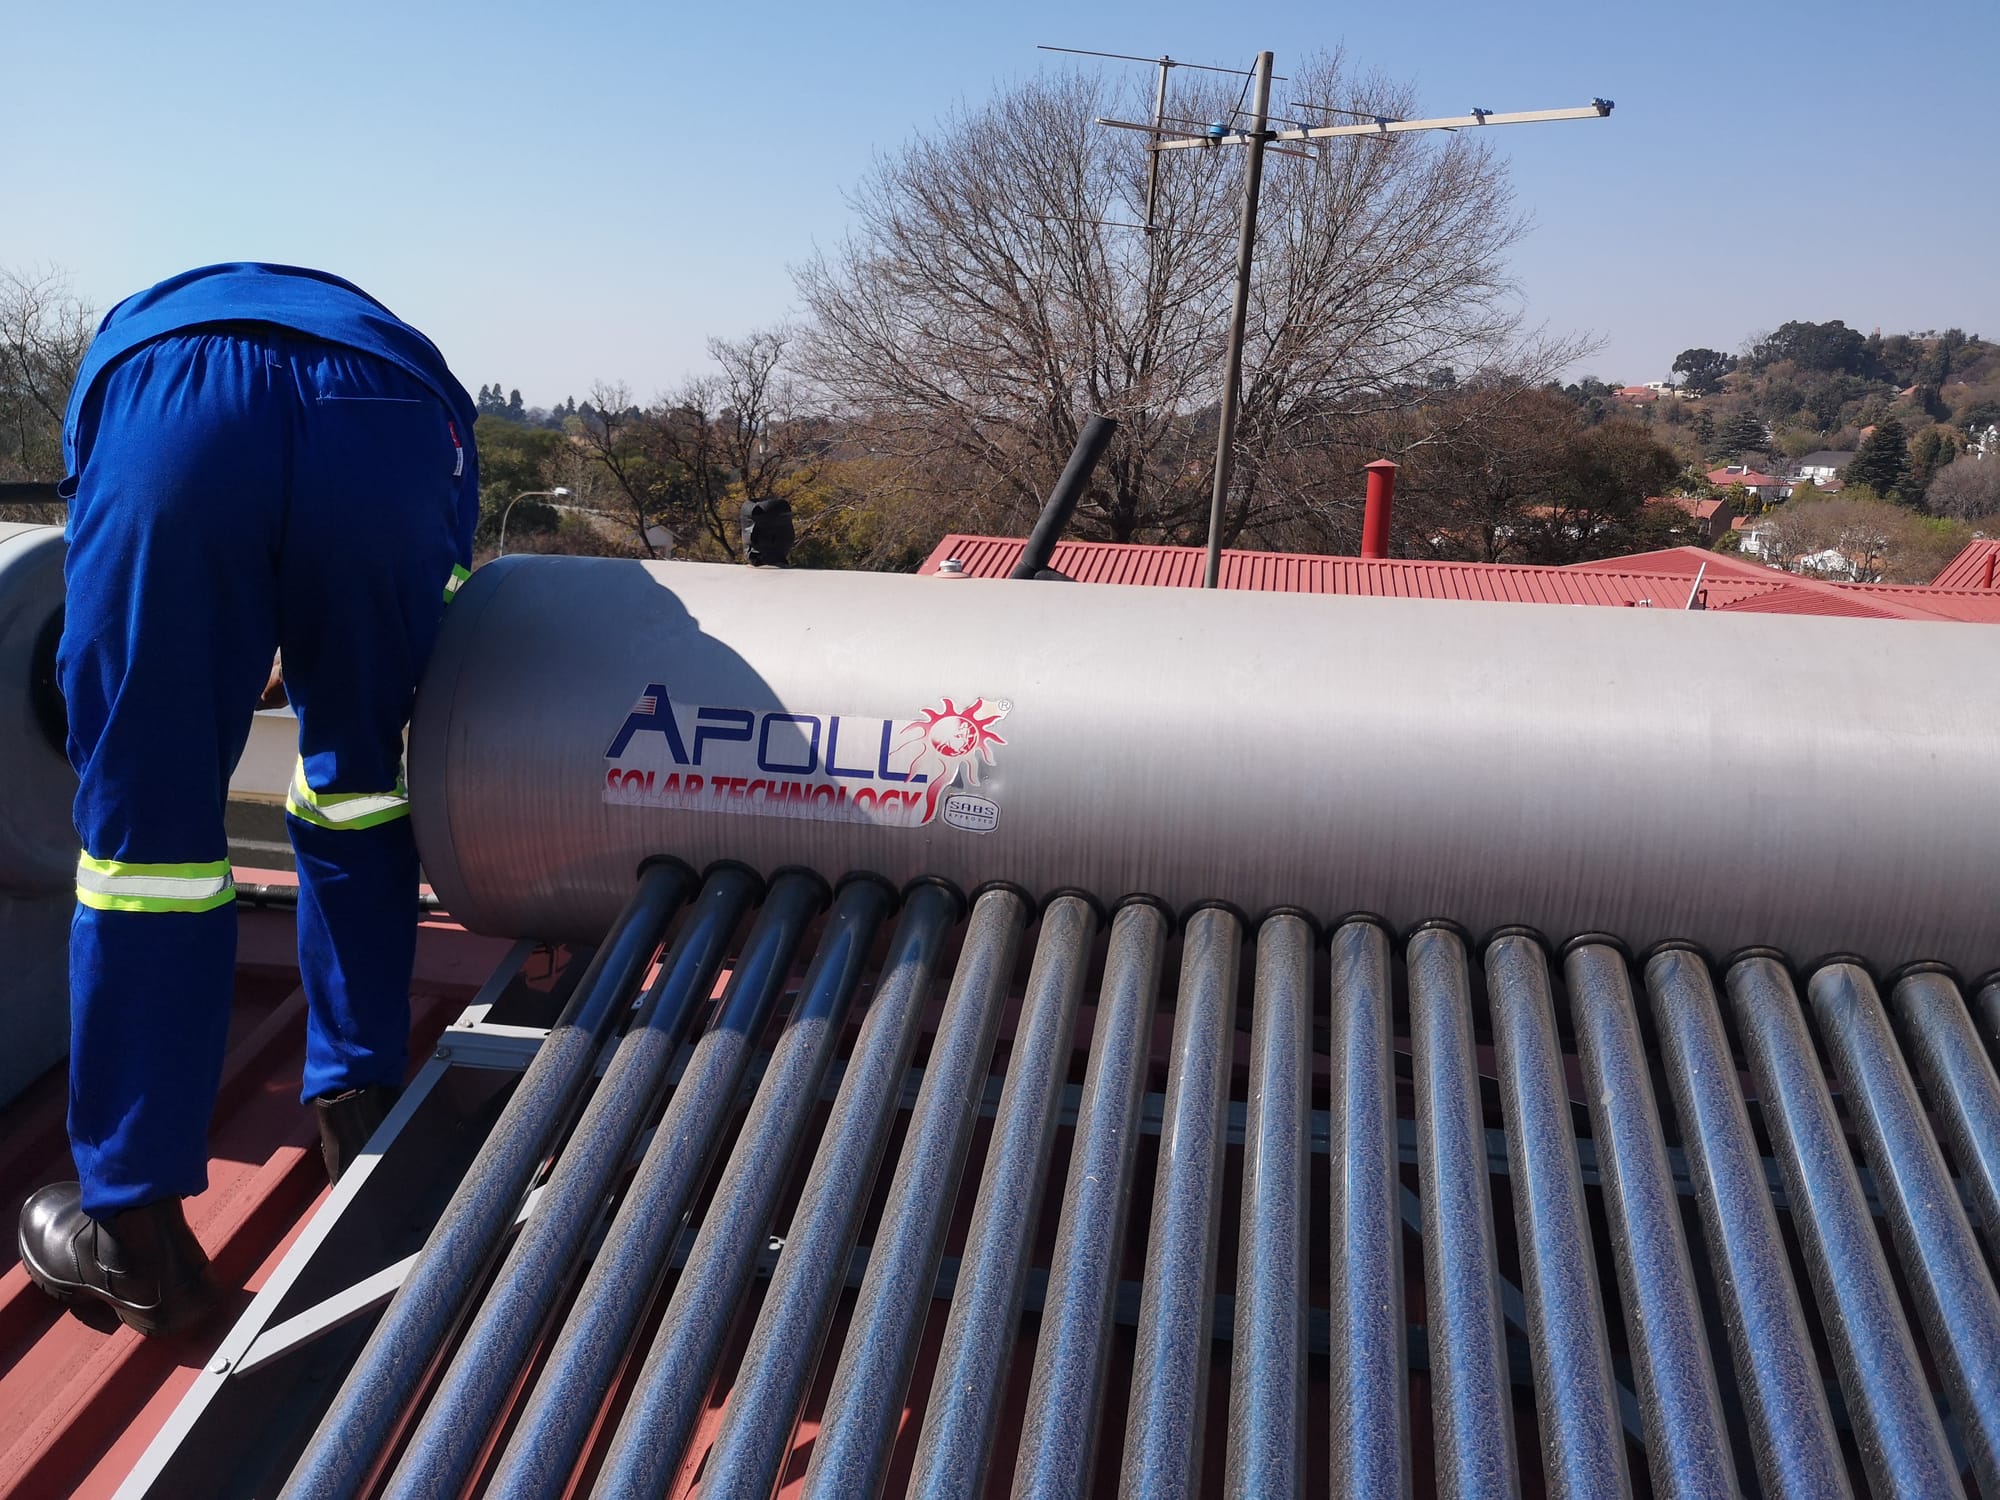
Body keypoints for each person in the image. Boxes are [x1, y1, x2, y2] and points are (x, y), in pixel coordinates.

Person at [15, 264, 480, 1336]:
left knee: (145, 850)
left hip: (172, 403)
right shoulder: (385, 342)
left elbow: (111, 560)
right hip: (389, 410)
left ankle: (135, 1241)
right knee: (360, 782)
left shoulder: (138, 336)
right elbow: (442, 583)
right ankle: (358, 1103)